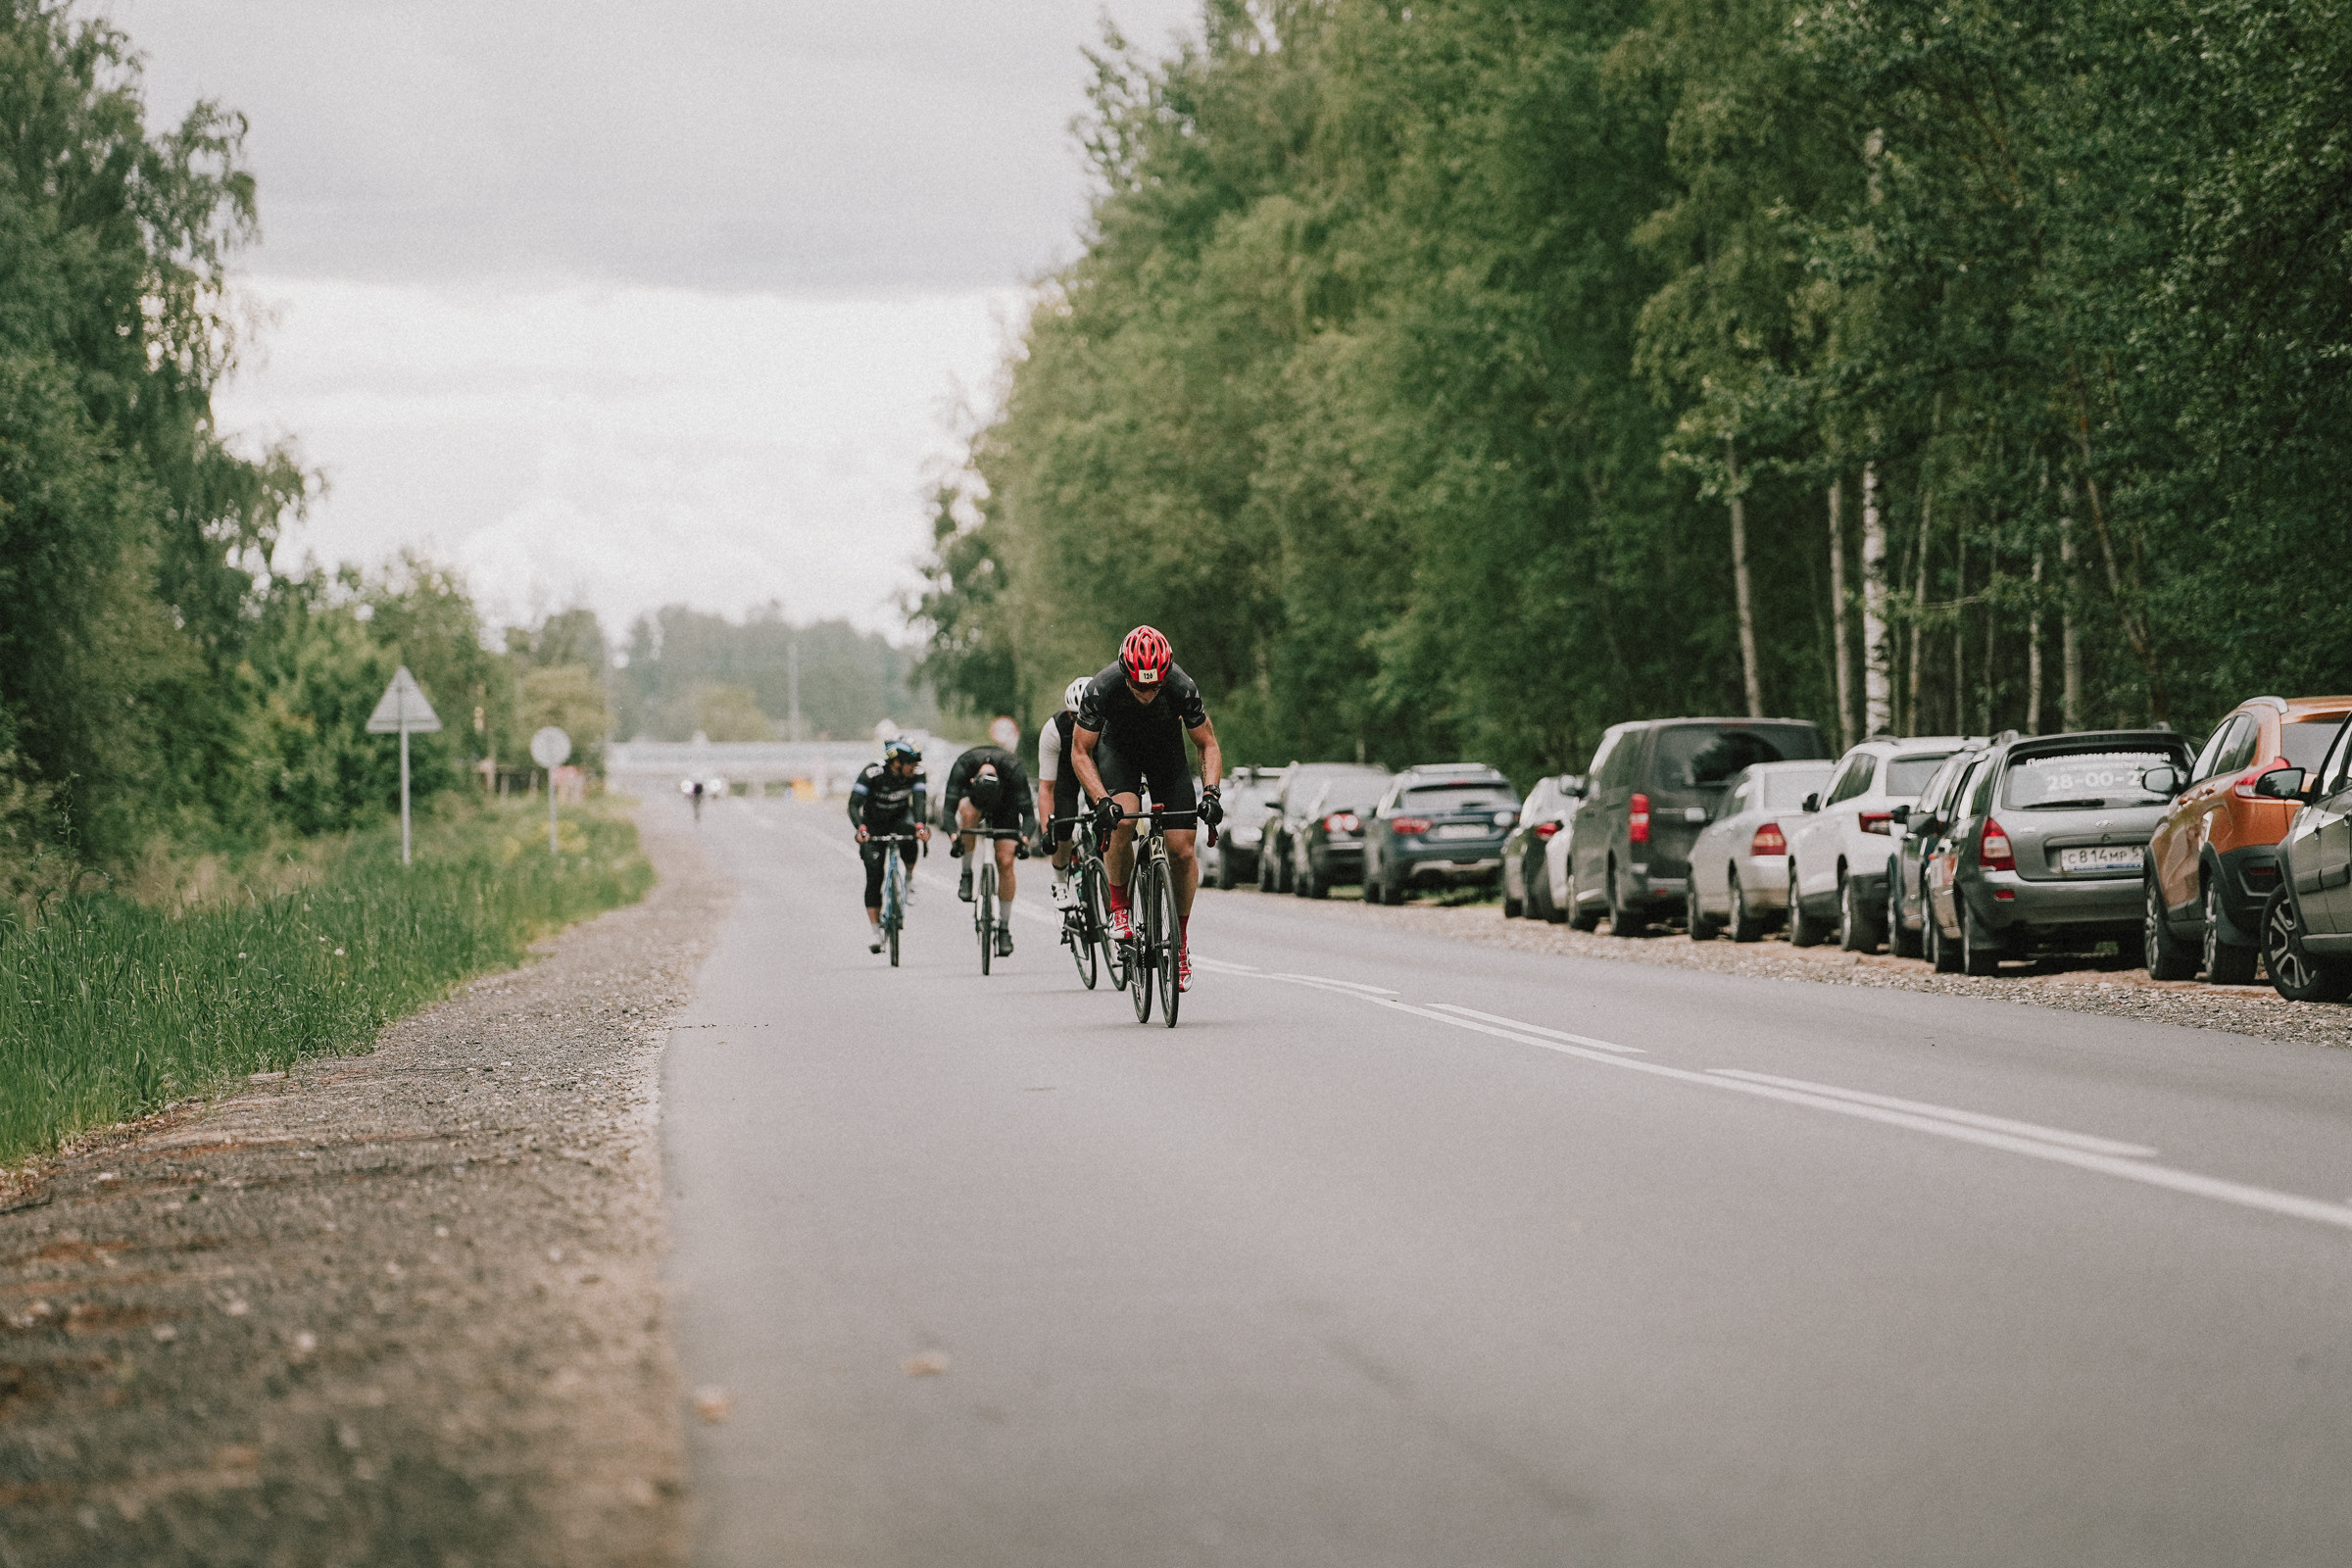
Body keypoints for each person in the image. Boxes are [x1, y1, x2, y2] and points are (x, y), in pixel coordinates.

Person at [1071, 625, 1224, 991]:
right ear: (1125, 674)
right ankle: (1120, 905)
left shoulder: (1181, 686)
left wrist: (1212, 793)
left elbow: (1208, 745)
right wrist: (1101, 801)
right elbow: (1080, 751)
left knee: (1183, 850)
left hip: (1166, 757)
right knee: (1121, 820)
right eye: (1139, 686)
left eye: (1154, 686)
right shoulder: (1102, 687)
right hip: (1118, 752)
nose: (1147, 693)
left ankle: (1181, 943)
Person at [942, 739, 1037, 956]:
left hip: (1007, 806)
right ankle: (966, 873)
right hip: (973, 801)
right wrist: (954, 837)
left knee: (1005, 861)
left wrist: (1023, 840)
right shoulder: (963, 766)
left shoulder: (1013, 770)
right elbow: (948, 811)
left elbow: (1029, 816)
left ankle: (1004, 928)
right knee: (968, 814)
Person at [849, 736, 930, 954]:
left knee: (911, 834)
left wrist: (921, 826)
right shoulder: (872, 773)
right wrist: (861, 828)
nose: (915, 768)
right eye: (911, 763)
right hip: (873, 826)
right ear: (897, 763)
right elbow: (853, 805)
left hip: (900, 820)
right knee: (874, 876)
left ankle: (909, 879)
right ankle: (876, 931)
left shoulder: (918, 773)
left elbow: (920, 801)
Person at [1036, 676, 1093, 912]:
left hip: (1097, 769)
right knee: (1063, 824)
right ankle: (1060, 882)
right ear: (1069, 715)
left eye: (1087, 716)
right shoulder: (1054, 729)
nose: (1081, 723)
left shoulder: (1111, 722)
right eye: (1075, 717)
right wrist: (1047, 830)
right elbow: (1046, 788)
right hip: (1065, 773)